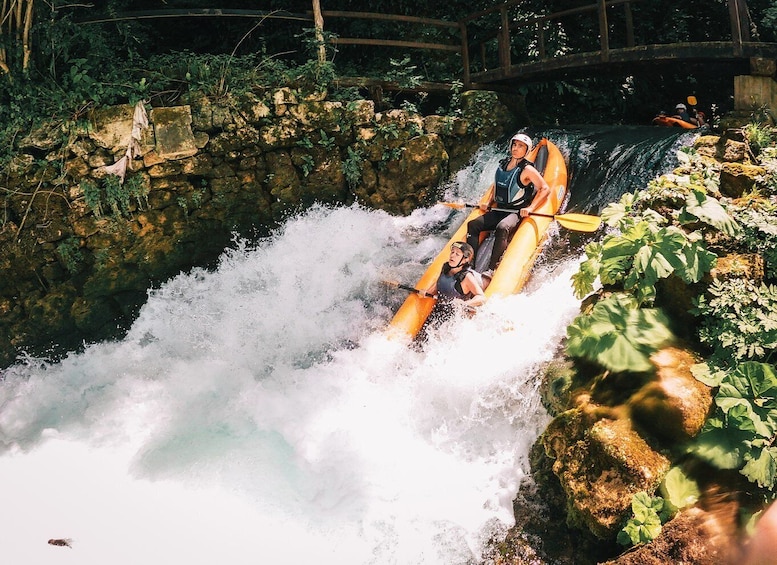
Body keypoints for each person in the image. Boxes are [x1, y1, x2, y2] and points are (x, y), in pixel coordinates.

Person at [465, 133, 551, 275]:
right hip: (499, 209)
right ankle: (469, 265)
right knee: (473, 225)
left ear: (527, 150)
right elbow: (497, 184)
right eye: (514, 145)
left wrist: (530, 208)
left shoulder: (527, 169)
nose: (516, 148)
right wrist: (487, 201)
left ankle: (491, 270)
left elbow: (545, 188)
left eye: (520, 146)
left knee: (502, 227)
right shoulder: (503, 164)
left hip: (516, 212)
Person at [420, 241, 485, 309]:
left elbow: (482, 298)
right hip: (442, 306)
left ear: (466, 259)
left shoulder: (467, 277)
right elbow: (439, 283)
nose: (452, 255)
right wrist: (427, 292)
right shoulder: (446, 267)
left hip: (456, 312)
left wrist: (464, 304)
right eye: (452, 252)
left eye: (457, 254)